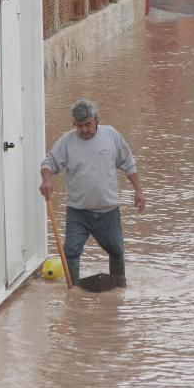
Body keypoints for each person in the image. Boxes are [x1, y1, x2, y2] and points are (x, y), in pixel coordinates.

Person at [39, 99, 145, 287]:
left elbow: (128, 164)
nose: (84, 130)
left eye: (87, 125)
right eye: (79, 126)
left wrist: (139, 190)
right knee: (71, 251)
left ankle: (118, 291)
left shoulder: (111, 136)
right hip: (78, 212)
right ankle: (73, 294)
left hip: (108, 211)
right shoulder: (67, 141)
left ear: (96, 120)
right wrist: (46, 179)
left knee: (116, 251)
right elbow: (49, 163)